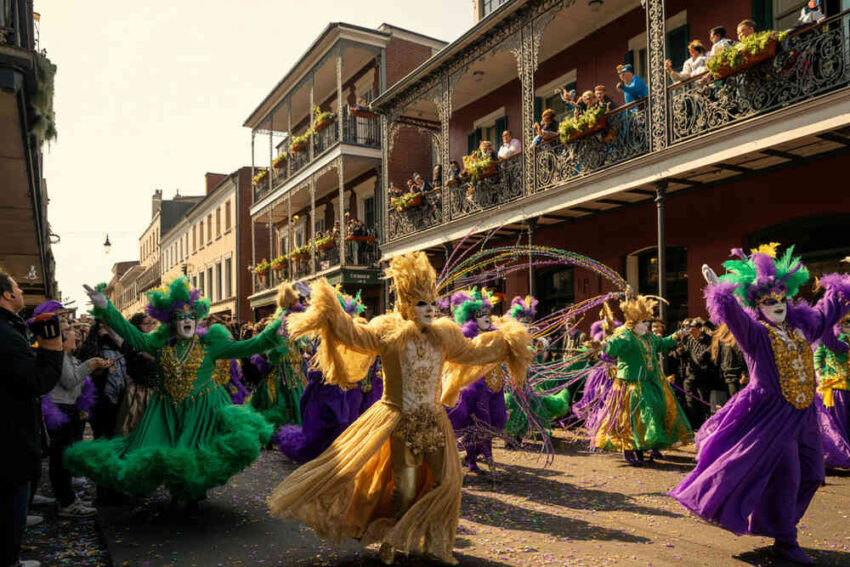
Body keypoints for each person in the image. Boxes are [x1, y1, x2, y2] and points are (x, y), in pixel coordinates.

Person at [267, 252, 532, 565]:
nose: (430, 309)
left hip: (434, 422)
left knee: (446, 482)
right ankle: (390, 540)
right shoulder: (387, 331)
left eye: (432, 302)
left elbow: (473, 352)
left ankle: (435, 542)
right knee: (404, 489)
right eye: (422, 303)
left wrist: (508, 339)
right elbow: (355, 335)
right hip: (397, 420)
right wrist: (330, 311)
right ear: (407, 305)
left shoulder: (445, 335)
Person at [671, 244, 850, 565]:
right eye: (769, 301)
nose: (777, 305)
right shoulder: (755, 334)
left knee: (812, 474)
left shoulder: (800, 328)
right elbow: (734, 316)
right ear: (757, 304)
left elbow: (827, 313)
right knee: (790, 475)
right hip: (769, 416)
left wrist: (841, 288)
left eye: (781, 298)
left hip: (805, 415)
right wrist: (721, 292)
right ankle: (786, 539)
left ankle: (774, 525)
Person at [68, 277, 286, 515]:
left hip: (203, 409)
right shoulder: (159, 345)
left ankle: (192, 493)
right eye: (181, 317)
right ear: (171, 322)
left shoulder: (210, 344)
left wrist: (278, 324)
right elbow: (131, 333)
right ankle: (177, 491)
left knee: (196, 452)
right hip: (166, 409)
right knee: (165, 451)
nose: (187, 320)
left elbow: (249, 346)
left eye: (191, 316)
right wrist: (105, 307)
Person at [275, 289, 383, 464]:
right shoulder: (322, 339)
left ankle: (341, 455)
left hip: (349, 389)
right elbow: (315, 360)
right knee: (327, 428)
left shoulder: (357, 336)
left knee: (347, 425)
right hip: (325, 388)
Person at [0, 273, 64, 567]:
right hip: (10, 433)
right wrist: (52, 350)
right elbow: (35, 382)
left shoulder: (9, 328)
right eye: (16, 286)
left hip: (13, 429)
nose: (21, 290)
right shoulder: (6, 332)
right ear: (7, 295)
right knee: (13, 495)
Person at [593, 295, 692, 466]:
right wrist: (603, 345)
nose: (647, 325)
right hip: (630, 385)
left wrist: (677, 335)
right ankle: (630, 450)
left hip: (650, 383)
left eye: (647, 321)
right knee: (630, 419)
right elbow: (612, 347)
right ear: (634, 322)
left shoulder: (648, 337)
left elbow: (662, 343)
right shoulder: (625, 336)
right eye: (644, 321)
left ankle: (649, 447)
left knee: (655, 413)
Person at [45, 318, 111, 517]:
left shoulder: (67, 356)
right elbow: (70, 380)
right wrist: (90, 364)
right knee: (61, 458)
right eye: (71, 331)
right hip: (60, 410)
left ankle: (68, 499)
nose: (76, 335)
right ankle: (67, 503)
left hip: (68, 408)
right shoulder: (58, 356)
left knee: (64, 456)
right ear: (61, 336)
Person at [447, 288, 508, 474]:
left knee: (493, 423)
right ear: (473, 316)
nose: (486, 317)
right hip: (474, 388)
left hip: (494, 386)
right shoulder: (467, 334)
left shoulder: (497, 335)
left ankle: (475, 457)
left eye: (488, 313)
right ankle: (478, 460)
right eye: (481, 314)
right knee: (479, 424)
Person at [250, 284, 307, 429]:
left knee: (292, 391)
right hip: (286, 367)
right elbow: (278, 346)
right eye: (296, 301)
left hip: (294, 366)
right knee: (288, 393)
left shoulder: (288, 318)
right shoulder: (283, 320)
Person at [813, 312, 850, 470]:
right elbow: (817, 357)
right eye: (846, 323)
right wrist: (820, 375)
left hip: (843, 388)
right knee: (835, 423)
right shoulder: (831, 340)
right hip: (834, 390)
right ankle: (837, 455)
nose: (847, 326)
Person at [115, 313, 158, 436]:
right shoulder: (132, 344)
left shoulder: (153, 341)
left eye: (152, 323)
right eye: (147, 323)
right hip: (138, 390)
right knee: (134, 423)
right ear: (137, 326)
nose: (151, 326)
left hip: (154, 389)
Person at [681, 317, 715, 429]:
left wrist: (702, 357)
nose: (691, 331)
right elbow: (683, 353)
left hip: (703, 376)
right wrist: (679, 351)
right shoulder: (688, 340)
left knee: (703, 401)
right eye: (690, 329)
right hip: (689, 376)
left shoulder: (708, 340)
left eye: (694, 329)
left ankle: (705, 425)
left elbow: (706, 356)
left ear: (700, 329)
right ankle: (694, 425)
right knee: (690, 401)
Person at [711, 323, 748, 399]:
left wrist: (744, 374)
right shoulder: (721, 340)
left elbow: (742, 357)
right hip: (728, 376)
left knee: (735, 401)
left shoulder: (730, 340)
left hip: (733, 377)